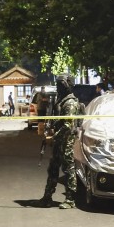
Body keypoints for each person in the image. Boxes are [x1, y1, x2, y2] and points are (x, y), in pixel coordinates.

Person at [38, 77, 81, 209]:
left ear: (66, 86)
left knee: (68, 170)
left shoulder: (70, 103)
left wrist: (53, 136)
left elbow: (68, 126)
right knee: (53, 169)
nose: (58, 88)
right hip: (58, 141)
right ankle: (47, 197)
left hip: (66, 141)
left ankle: (70, 199)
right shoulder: (61, 101)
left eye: (60, 85)